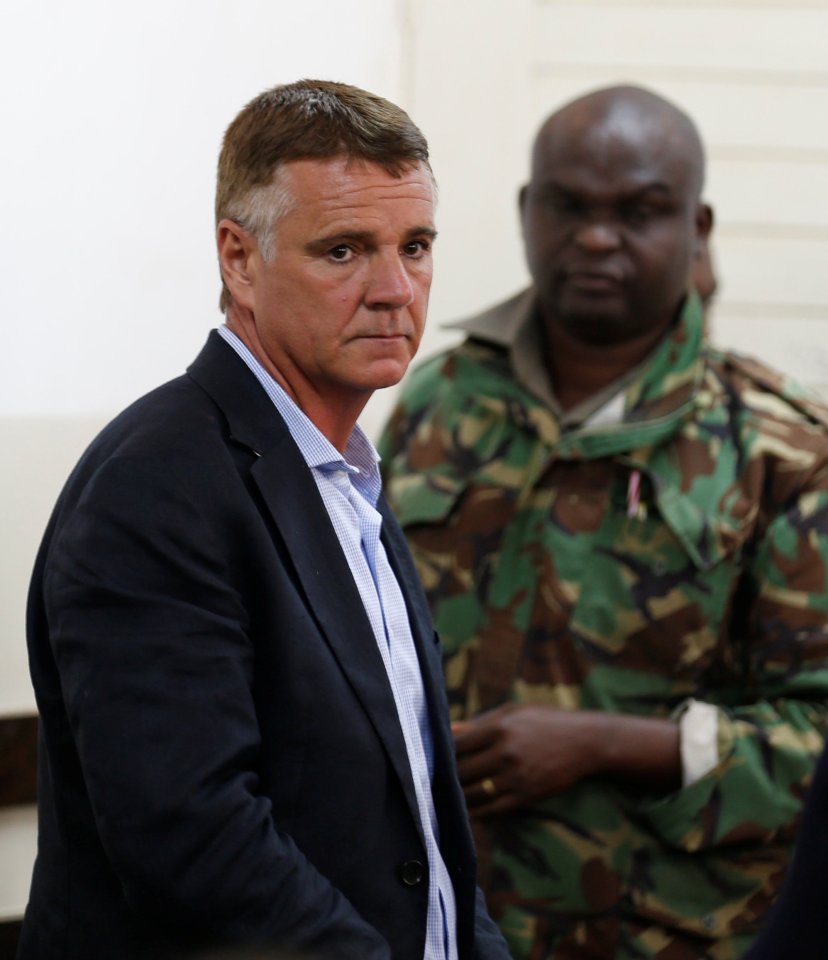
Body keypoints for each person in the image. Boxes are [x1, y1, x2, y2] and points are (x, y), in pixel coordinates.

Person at [18, 79, 511, 960]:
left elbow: (421, 831)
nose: (396, 288)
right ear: (238, 259)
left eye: (417, 245)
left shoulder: (344, 469)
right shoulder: (156, 489)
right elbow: (194, 843)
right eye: (345, 250)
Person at [379, 84, 828, 959]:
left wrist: (611, 745)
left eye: (640, 211)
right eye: (569, 205)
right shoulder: (437, 401)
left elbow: (818, 745)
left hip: (666, 934)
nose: (595, 236)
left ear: (697, 228)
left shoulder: (782, 450)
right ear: (525, 209)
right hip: (442, 921)